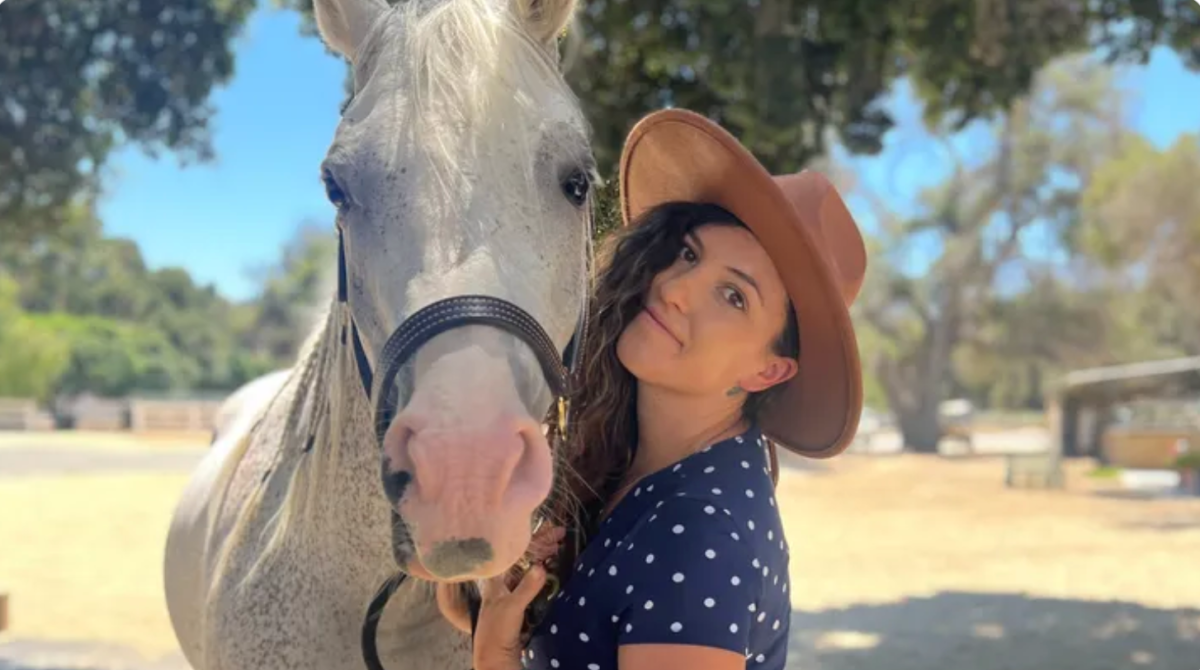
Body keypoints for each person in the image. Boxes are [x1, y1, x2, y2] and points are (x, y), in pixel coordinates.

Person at [437, 108, 868, 670]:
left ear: (768, 371)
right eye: (689, 254)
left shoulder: (696, 531)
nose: (676, 288)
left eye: (733, 296)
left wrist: (493, 659)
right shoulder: (637, 467)